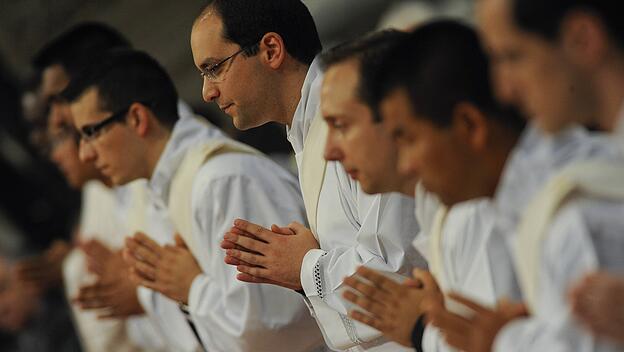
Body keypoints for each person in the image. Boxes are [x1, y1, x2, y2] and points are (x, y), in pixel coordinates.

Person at [190, 1, 423, 350]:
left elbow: (400, 270)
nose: (207, 91)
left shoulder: (352, 110)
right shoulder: (305, 129)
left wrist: (304, 266)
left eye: (214, 68)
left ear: (271, 50)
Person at [64, 48, 324, 352]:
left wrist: (191, 288)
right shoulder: (169, 187)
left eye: (91, 133)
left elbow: (278, 327)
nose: (85, 153)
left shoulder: (221, 181)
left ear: (137, 118)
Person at [426, 0, 624, 351]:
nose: (504, 90)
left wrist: (509, 341)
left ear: (582, 39)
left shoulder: (578, 214)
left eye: (512, 56)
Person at [331, 21, 526, 350]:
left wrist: (422, 331)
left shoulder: (477, 212)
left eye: (341, 124)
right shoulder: (451, 207)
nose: (330, 150)